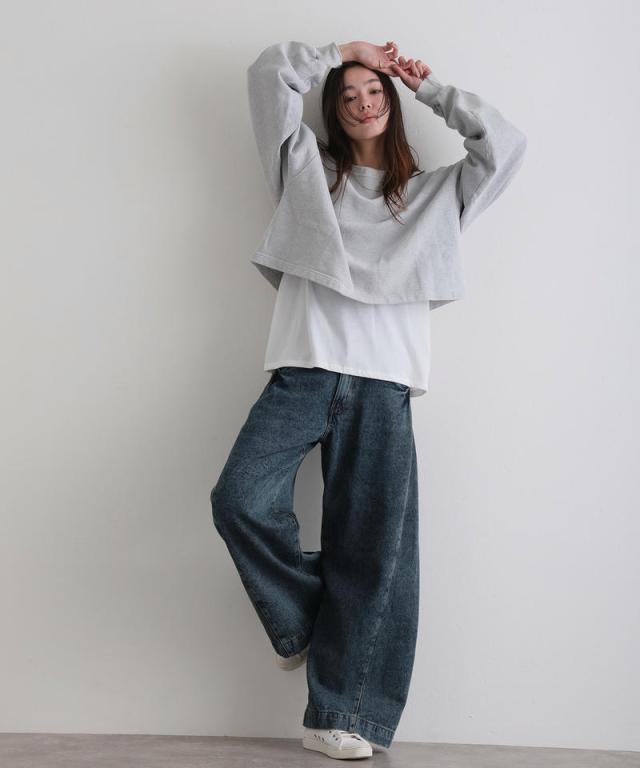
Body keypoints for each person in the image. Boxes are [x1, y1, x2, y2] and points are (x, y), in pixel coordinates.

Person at [210, 39, 527, 759]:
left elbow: (506, 146)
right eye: (348, 93)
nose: (362, 102)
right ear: (333, 107)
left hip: (384, 385)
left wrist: (431, 87)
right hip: (304, 371)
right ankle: (300, 622)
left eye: (374, 91)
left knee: (373, 552)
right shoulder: (304, 171)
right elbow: (267, 76)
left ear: (392, 103)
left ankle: (339, 716)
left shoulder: (435, 195)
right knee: (239, 499)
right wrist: (340, 52)